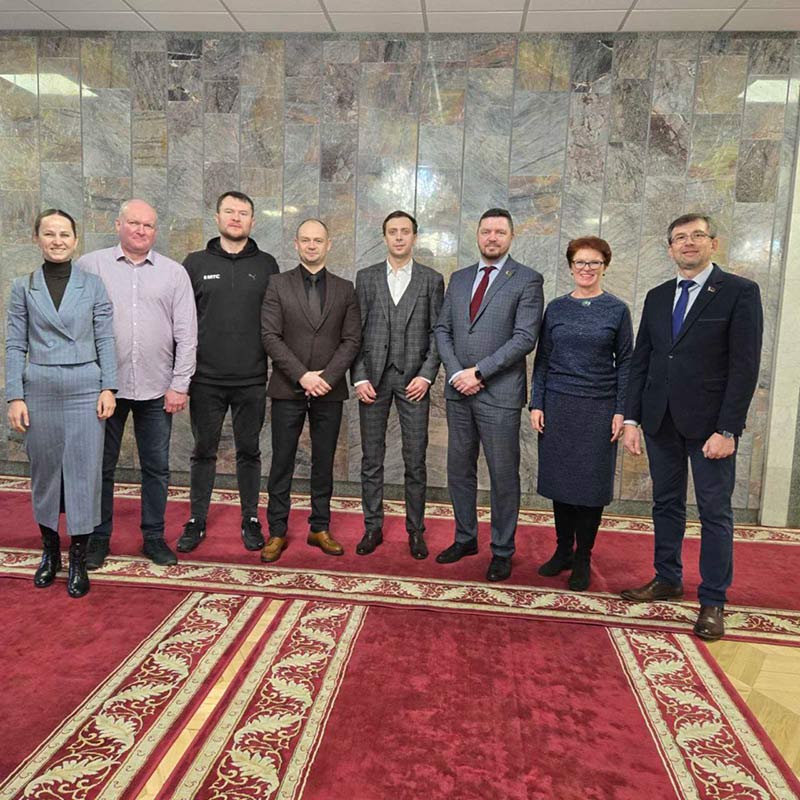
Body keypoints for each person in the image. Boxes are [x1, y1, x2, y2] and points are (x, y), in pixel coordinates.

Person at [620, 214, 763, 641]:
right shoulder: (657, 296)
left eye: (697, 235)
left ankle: (713, 600)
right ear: (670, 248)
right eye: (679, 237)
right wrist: (631, 419)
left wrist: (728, 429)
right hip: (659, 420)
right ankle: (667, 578)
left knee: (715, 512)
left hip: (710, 427)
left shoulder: (739, 291)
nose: (688, 243)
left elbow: (744, 367)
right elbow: (642, 361)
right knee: (665, 504)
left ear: (713, 244)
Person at [77, 199, 197, 569]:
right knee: (101, 466)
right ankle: (98, 538)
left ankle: (154, 537)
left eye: (148, 225)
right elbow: (77, 327)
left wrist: (180, 384)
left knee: (156, 467)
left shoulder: (174, 273)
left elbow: (187, 334)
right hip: (105, 389)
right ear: (118, 225)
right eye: (134, 223)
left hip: (157, 389)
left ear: (155, 231)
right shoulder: (90, 266)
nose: (141, 230)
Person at [5, 209, 117, 597]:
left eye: (64, 234)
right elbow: (15, 344)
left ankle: (78, 558)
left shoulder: (93, 285)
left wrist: (109, 387)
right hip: (40, 388)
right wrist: (14, 395)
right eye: (49, 233)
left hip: (86, 387)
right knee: (46, 472)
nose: (57, 240)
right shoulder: (23, 286)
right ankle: (50, 553)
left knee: (85, 472)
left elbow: (105, 338)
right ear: (36, 238)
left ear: (75, 240)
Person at [434, 208, 544, 582]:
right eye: (486, 231)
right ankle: (465, 538)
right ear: (477, 235)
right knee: (459, 470)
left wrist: (479, 372)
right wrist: (456, 373)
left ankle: (502, 550)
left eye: (499, 232)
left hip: (499, 393)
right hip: (458, 393)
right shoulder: (459, 278)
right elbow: (443, 330)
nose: (492, 237)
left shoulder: (527, 279)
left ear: (511, 236)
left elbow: (524, 338)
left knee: (502, 474)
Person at [178, 191, 280, 554]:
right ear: (218, 217)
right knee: (203, 451)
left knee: (249, 451)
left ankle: (250, 518)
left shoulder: (267, 265)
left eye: (243, 213)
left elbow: (276, 321)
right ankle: (196, 519)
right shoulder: (194, 263)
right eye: (230, 211)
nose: (236, 218)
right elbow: (182, 322)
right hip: (205, 379)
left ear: (253, 220)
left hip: (251, 379)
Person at [529, 236, 633, 591]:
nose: (586, 269)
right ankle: (563, 551)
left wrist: (621, 410)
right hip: (558, 405)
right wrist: (537, 403)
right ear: (571, 267)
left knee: (590, 486)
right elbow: (543, 359)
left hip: (599, 407)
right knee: (561, 482)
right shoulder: (556, 308)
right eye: (580, 262)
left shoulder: (616, 310)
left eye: (594, 263)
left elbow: (627, 364)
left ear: (605, 267)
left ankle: (583, 557)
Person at [260, 219, 361, 563]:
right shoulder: (277, 284)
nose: (312, 245)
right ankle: (276, 530)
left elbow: (351, 340)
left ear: (329, 244)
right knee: (282, 462)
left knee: (323, 461)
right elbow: (270, 336)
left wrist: (326, 378)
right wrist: (303, 376)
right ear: (296, 244)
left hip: (329, 391)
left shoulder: (345, 289)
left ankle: (320, 527)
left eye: (318, 240)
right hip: (288, 387)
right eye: (306, 240)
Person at [352, 211, 444, 559]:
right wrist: (359, 376)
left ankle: (415, 530)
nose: (399, 237)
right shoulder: (366, 278)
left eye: (405, 231)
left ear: (415, 237)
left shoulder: (431, 280)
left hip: (413, 381)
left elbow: (438, 333)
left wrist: (426, 375)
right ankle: (372, 527)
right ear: (385, 237)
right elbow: (355, 332)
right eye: (393, 232)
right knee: (371, 458)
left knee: (415, 459)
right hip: (372, 381)